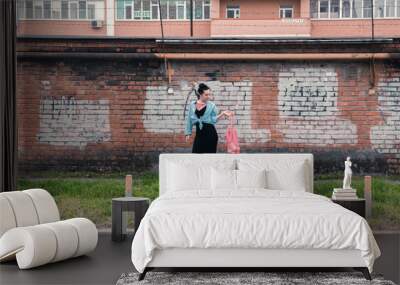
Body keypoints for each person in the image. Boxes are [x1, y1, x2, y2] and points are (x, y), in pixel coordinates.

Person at [185, 83, 232, 153]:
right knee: (196, 155)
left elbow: (214, 119)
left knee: (210, 157)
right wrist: (188, 133)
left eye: (209, 94)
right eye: (206, 95)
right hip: (199, 135)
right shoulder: (192, 104)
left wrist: (222, 113)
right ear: (200, 94)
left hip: (210, 134)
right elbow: (189, 119)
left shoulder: (211, 105)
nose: (208, 96)